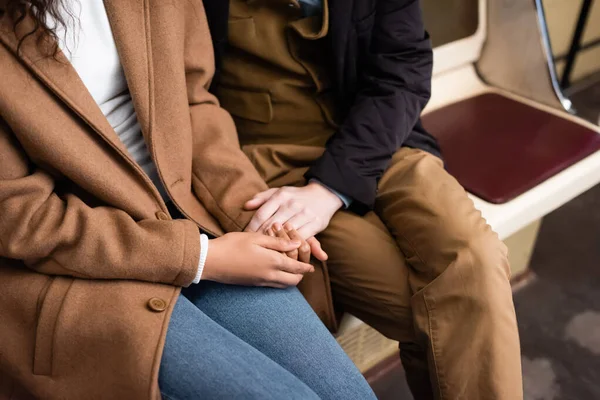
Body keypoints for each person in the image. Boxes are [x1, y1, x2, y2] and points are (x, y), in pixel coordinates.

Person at [0, 0, 377, 399]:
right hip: (79, 273)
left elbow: (194, 104)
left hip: (193, 218)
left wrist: (259, 219)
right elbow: (21, 217)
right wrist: (201, 259)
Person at [203, 0, 524, 399]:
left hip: (382, 141)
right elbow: (188, 97)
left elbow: (403, 69)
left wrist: (328, 190)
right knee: (436, 310)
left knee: (477, 256)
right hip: (272, 166)